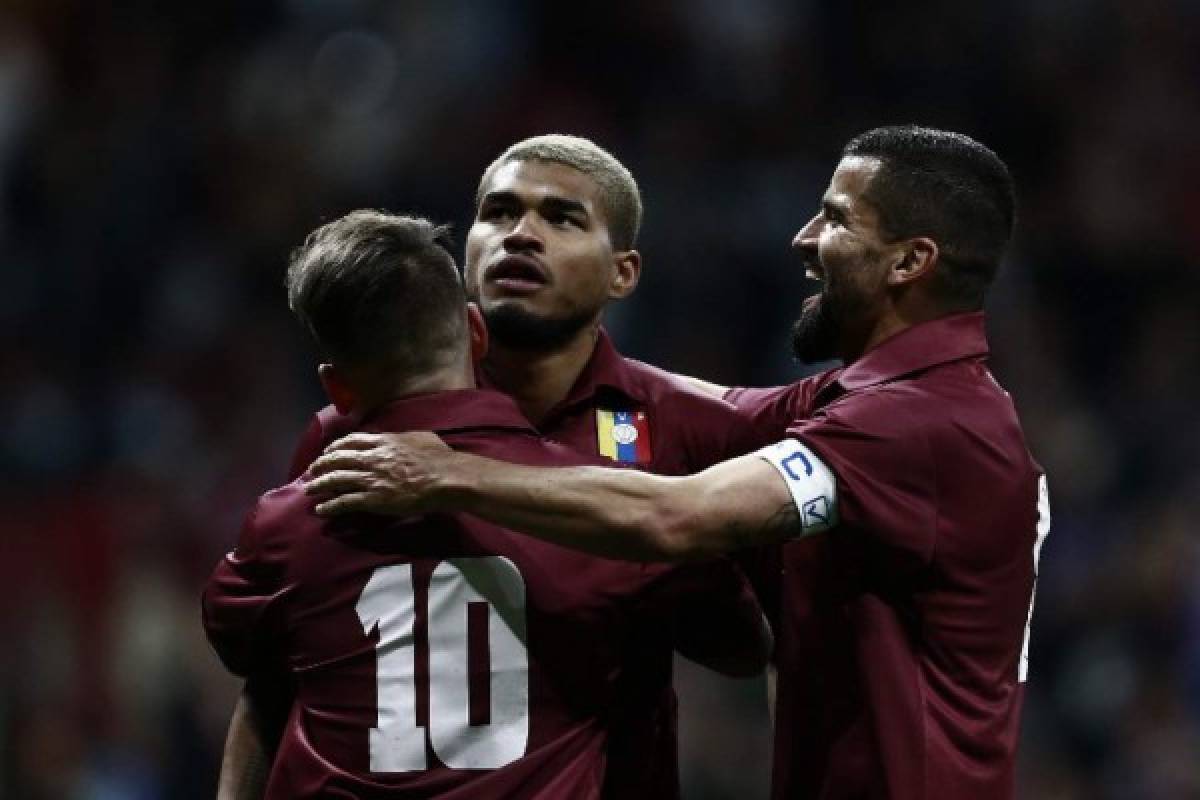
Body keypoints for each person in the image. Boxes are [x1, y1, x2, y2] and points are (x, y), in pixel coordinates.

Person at [306, 126, 1050, 800]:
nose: (803, 237)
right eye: (498, 213)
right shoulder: (869, 403)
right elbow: (273, 685)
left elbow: (676, 520)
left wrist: (445, 473)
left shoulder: (916, 422)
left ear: (911, 261)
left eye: (836, 218)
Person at [203, 210, 769, 798]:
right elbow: (741, 643)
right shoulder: (607, 513)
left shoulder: (286, 524)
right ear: (477, 333)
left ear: (337, 386)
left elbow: (241, 645)